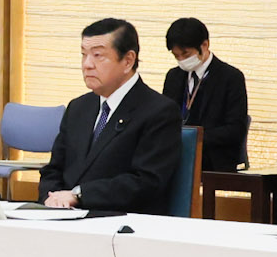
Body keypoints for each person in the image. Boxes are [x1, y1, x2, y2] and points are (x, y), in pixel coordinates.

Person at [39, 17, 183, 212]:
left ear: (128, 61)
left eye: (98, 55)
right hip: (63, 218)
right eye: (83, 55)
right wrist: (53, 199)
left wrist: (79, 195)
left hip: (121, 223)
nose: (87, 64)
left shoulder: (159, 111)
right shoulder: (78, 107)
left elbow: (147, 181)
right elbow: (54, 169)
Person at [161, 17, 250, 173]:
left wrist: (194, 138)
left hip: (213, 155)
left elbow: (235, 129)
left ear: (205, 45)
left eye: (186, 54)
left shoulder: (230, 77)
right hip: (176, 152)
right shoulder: (174, 76)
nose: (182, 60)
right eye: (176, 56)